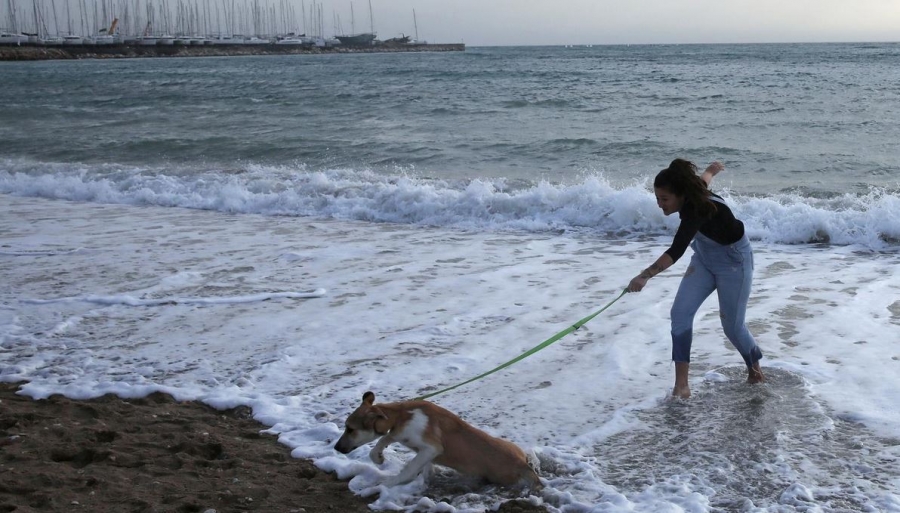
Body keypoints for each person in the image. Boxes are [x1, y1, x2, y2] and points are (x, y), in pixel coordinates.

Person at [627, 158, 764, 399]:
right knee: (680, 314)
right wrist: (711, 170)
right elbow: (703, 180)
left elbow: (677, 249)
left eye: (664, 199)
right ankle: (682, 386)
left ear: (681, 195)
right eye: (657, 198)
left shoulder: (696, 209)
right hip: (703, 258)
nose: (659, 204)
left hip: (734, 262)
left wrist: (645, 276)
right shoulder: (693, 190)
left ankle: (755, 369)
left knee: (732, 327)